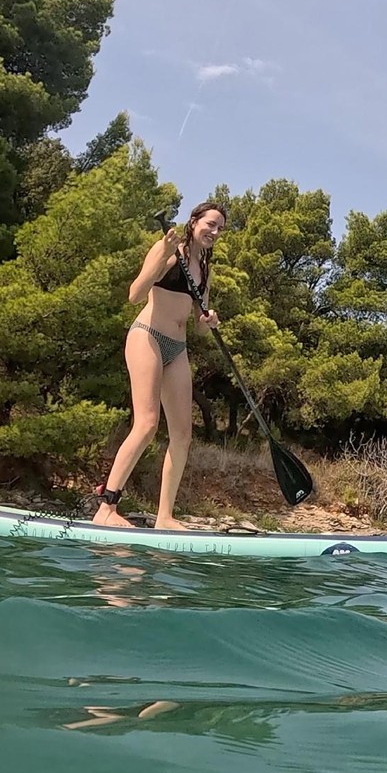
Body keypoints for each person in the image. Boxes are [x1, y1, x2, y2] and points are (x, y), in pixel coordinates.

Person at [93, 200, 227, 529]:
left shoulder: (205, 268)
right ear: (193, 222)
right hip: (148, 337)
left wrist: (208, 320)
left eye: (220, 228)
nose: (214, 231)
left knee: (182, 434)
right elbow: (135, 294)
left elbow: (198, 322)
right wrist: (162, 256)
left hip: (177, 348)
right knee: (147, 424)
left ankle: (165, 517)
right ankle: (106, 508)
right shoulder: (167, 248)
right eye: (210, 224)